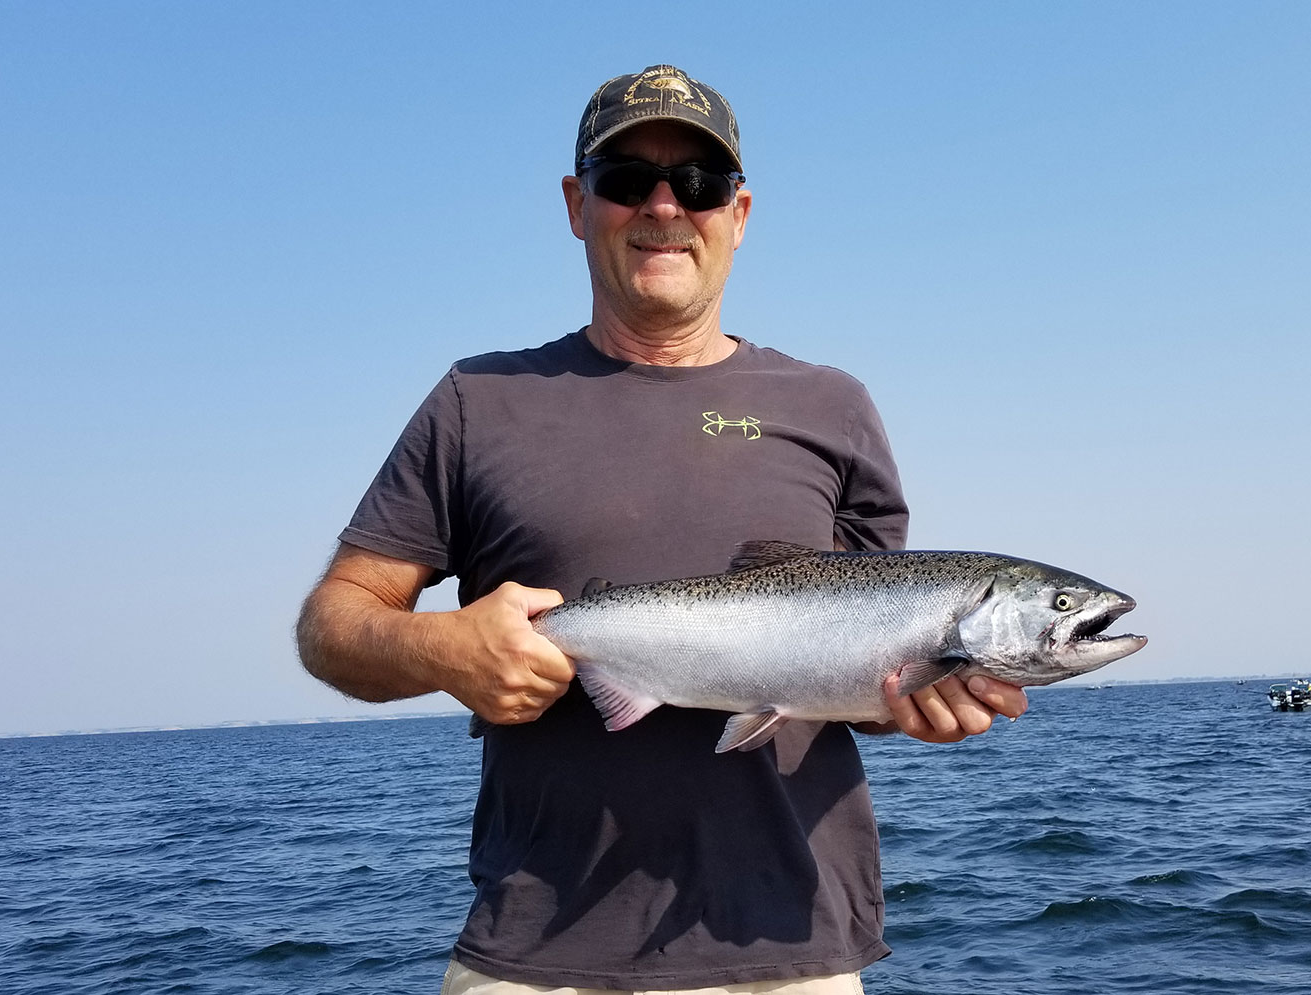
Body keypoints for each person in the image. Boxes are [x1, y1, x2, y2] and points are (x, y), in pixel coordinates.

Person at [297, 64, 1028, 995]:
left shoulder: (832, 406)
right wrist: (439, 646)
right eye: (625, 178)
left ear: (740, 211)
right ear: (575, 203)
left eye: (698, 183)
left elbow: (863, 665)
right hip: (536, 954)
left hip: (792, 950)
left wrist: (916, 705)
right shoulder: (476, 401)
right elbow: (333, 625)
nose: (664, 207)